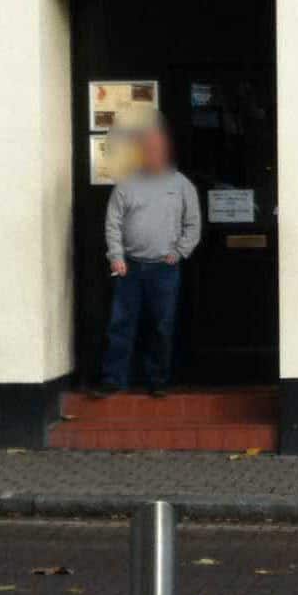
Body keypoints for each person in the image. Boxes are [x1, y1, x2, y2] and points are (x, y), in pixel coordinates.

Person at [95, 121, 200, 397]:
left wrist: (179, 253)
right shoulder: (126, 185)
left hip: (164, 269)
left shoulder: (181, 185)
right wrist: (116, 257)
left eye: (157, 148)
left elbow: (193, 225)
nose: (152, 153)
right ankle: (113, 380)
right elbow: (113, 224)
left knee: (161, 326)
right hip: (128, 267)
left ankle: (158, 381)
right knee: (120, 326)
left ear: (165, 151)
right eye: (147, 148)